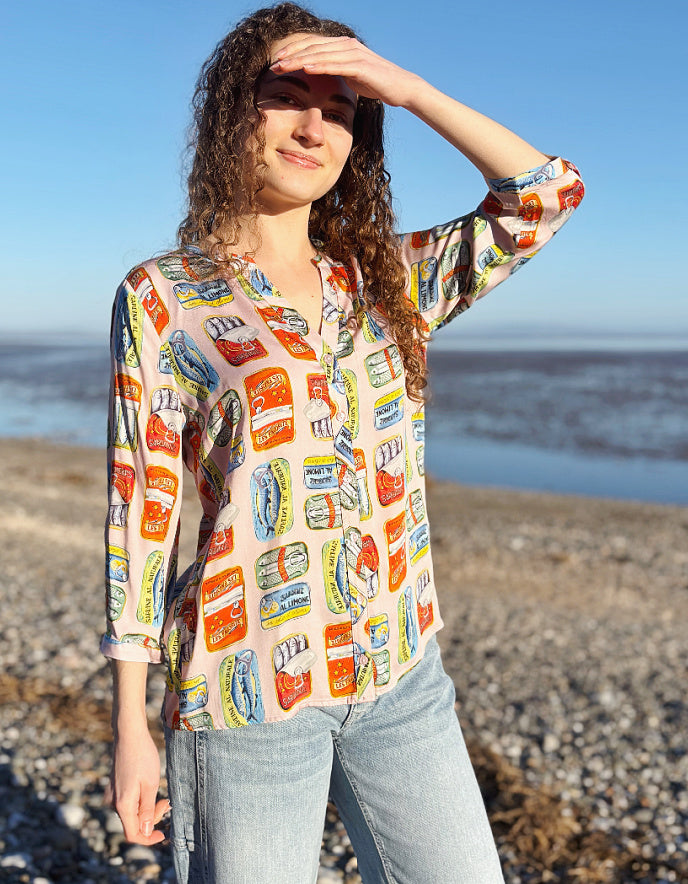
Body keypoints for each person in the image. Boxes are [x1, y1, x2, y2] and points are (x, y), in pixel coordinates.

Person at [102, 3, 584, 882]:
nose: (314, 125)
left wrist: (408, 89)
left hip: (400, 673)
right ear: (229, 115)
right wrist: (130, 723)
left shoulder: (389, 281)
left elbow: (546, 195)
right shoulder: (165, 297)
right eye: (286, 95)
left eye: (343, 107)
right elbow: (140, 510)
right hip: (245, 691)